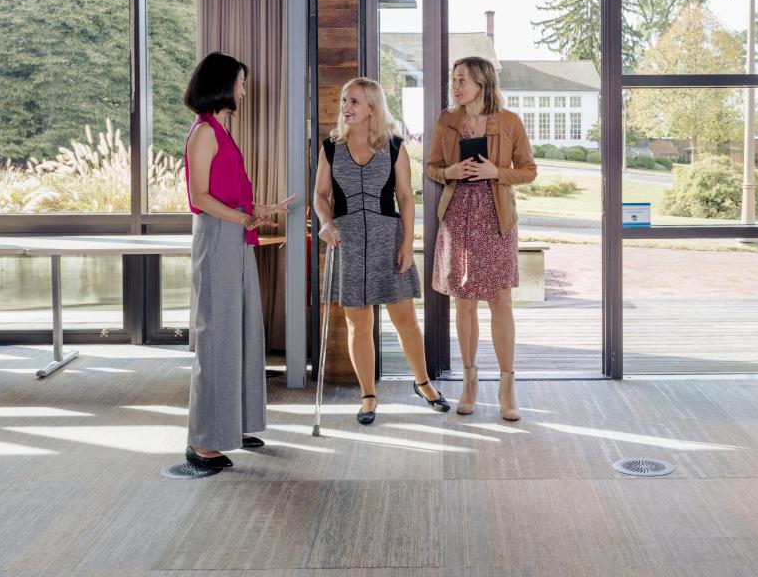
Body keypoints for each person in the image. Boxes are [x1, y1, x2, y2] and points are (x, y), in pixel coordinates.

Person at [182, 52, 296, 469]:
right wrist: (245, 216)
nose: (244, 90)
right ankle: (203, 441)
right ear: (223, 84)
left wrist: (260, 209)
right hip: (217, 239)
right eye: (241, 82)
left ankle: (234, 424)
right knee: (217, 337)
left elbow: (228, 195)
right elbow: (200, 198)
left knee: (244, 330)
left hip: (235, 236)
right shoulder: (204, 133)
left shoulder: (221, 131)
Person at [314, 78, 450, 425]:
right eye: (344, 99)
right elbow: (320, 195)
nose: (346, 106)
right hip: (348, 242)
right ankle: (368, 396)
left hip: (387, 239)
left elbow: (406, 197)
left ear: (372, 108)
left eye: (355, 101)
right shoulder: (330, 148)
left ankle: (423, 384)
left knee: (405, 320)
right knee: (358, 324)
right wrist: (326, 223)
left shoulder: (394, 147)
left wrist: (407, 244)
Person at [426, 56, 536, 421]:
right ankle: (469, 380)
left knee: (500, 300)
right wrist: (450, 171)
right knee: (464, 301)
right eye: (453, 79)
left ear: (482, 83)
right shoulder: (447, 121)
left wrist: (496, 171)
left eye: (462, 80)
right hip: (458, 216)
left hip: (495, 218)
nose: (455, 86)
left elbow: (529, 171)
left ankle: (507, 385)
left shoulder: (509, 122)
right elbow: (431, 167)